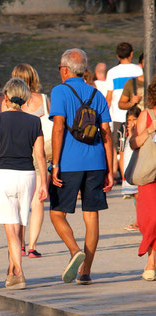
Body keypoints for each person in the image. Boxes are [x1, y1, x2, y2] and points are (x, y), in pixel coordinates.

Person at [0, 78, 47, 290]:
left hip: (3, 176)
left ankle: (20, 273)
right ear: (24, 98)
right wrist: (44, 184)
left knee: (11, 230)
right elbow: (40, 156)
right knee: (18, 226)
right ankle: (12, 272)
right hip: (27, 176)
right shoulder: (35, 121)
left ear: (5, 97)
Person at [49, 48, 113, 285]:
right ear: (84, 70)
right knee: (91, 214)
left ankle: (75, 250)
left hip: (69, 162)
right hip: (96, 162)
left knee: (57, 213)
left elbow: (58, 128)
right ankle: (85, 271)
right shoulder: (96, 94)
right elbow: (106, 132)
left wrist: (55, 164)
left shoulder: (59, 91)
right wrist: (110, 169)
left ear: (64, 69)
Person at [11, 64, 51, 258]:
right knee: (37, 202)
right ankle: (33, 246)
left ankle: (20, 244)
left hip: (18, 155)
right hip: (41, 155)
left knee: (20, 203)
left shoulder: (9, 102)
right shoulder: (44, 100)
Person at [129, 81, 156, 281]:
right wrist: (150, 130)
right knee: (149, 220)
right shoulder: (147, 115)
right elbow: (133, 142)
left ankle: (151, 262)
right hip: (149, 173)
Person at [105, 42, 143, 181]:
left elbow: (108, 98)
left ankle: (125, 179)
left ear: (117, 55)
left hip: (118, 116)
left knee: (121, 149)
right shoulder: (138, 70)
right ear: (131, 54)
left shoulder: (112, 72)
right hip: (137, 114)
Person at [122, 106, 141, 231]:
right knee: (135, 197)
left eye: (135, 119)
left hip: (139, 170)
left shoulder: (139, 133)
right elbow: (123, 153)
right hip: (129, 171)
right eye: (129, 120)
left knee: (139, 197)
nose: (131, 122)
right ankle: (139, 219)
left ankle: (139, 220)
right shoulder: (125, 132)